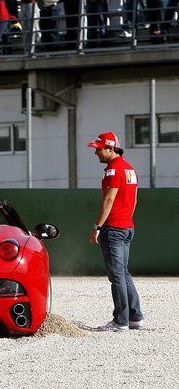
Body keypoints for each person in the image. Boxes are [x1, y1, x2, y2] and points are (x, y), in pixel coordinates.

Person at [87, 132, 144, 332]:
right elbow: (134, 200)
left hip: (114, 228)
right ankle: (135, 317)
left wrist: (97, 226)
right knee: (124, 273)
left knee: (116, 276)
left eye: (98, 149)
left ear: (110, 148)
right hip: (127, 226)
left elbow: (109, 200)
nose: (96, 153)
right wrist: (125, 218)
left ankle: (121, 321)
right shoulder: (130, 169)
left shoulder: (113, 170)